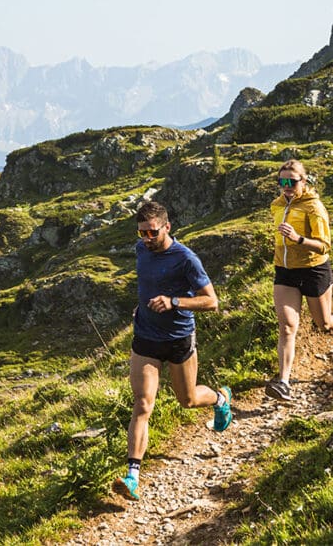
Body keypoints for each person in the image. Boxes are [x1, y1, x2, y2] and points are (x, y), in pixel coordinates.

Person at [111, 201, 232, 502]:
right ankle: (132, 477)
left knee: (187, 400)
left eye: (152, 232)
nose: (147, 239)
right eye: (141, 234)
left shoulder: (186, 259)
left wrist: (174, 302)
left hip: (179, 338)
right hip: (146, 338)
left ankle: (220, 398)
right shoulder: (142, 250)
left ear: (167, 227)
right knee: (142, 404)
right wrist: (144, 305)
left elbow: (212, 301)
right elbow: (148, 283)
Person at [265, 159, 333, 402]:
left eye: (291, 181)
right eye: (282, 181)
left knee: (323, 323)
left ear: (303, 181)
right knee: (286, 327)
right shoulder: (276, 205)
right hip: (285, 271)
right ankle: (283, 382)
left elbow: (325, 245)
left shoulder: (314, 207)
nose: (286, 186)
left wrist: (298, 239)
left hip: (314, 270)